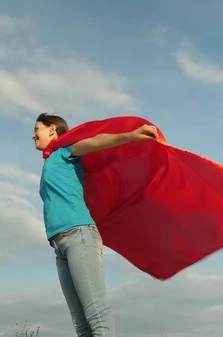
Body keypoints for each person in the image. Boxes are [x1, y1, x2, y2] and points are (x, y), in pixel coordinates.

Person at [32, 113, 158, 337]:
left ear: (52, 129)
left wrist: (130, 136)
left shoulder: (64, 150)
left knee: (96, 314)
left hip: (78, 235)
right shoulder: (51, 160)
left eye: (37, 129)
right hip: (59, 244)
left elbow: (94, 142)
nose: (33, 135)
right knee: (80, 323)